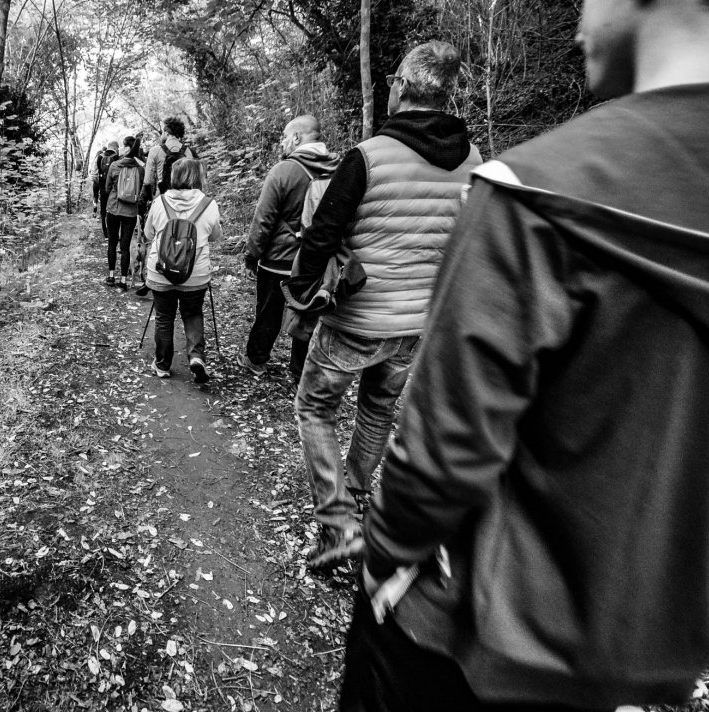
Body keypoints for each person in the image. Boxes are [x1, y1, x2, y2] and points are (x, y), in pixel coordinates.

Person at [343, 0, 709, 710]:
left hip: (478, 639)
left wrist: (384, 554)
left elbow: (441, 454)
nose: (580, 19)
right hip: (642, 661)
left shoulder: (540, 191)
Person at [293, 40, 482, 570]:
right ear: (445, 97)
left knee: (315, 407)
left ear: (400, 87)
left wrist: (302, 292)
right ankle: (354, 498)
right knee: (377, 410)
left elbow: (322, 235)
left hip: (358, 319)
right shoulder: (474, 161)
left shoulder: (368, 156)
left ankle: (337, 526)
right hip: (417, 324)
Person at [240, 115, 339, 383]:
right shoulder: (337, 169)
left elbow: (263, 220)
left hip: (278, 259)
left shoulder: (284, 171)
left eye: (285, 136)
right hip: (316, 259)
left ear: (296, 138)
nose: (283, 142)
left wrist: (252, 256)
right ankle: (299, 371)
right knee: (307, 314)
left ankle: (257, 359)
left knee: (269, 311)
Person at [143, 158, 223, 383]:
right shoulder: (209, 204)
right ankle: (196, 357)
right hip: (195, 274)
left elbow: (149, 234)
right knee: (193, 313)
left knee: (164, 317)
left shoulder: (159, 203)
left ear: (173, 177)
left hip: (161, 271)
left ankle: (162, 364)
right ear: (197, 177)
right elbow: (216, 237)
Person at [135, 117, 196, 295]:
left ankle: (152, 277)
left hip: (161, 201)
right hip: (186, 203)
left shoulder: (155, 151)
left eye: (163, 131)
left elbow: (147, 183)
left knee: (156, 238)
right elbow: (194, 182)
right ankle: (181, 269)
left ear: (168, 132)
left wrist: (141, 208)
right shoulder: (189, 153)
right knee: (181, 235)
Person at [103, 136, 142, 289]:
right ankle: (124, 281)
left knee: (112, 243)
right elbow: (144, 190)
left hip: (113, 207)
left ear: (127, 149)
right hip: (130, 211)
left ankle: (111, 276)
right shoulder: (140, 168)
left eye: (122, 146)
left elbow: (106, 188)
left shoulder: (114, 165)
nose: (119, 149)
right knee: (125, 247)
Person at [92, 140, 119, 238]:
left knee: (103, 210)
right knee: (113, 210)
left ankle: (105, 232)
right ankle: (113, 232)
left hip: (102, 187)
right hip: (113, 189)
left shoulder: (100, 157)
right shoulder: (116, 157)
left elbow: (97, 171)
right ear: (115, 147)